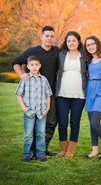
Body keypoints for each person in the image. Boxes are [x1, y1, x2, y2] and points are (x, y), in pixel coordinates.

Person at [12, 26, 59, 156]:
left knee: (51, 121)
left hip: (50, 93)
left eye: (51, 36)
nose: (49, 38)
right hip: (33, 95)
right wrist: (21, 75)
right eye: (47, 36)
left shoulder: (56, 51)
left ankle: (42, 148)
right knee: (33, 122)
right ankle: (32, 151)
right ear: (42, 37)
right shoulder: (32, 51)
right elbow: (16, 62)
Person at [56, 31, 86, 159]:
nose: (71, 43)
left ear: (79, 41)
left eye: (74, 40)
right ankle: (63, 148)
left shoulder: (84, 55)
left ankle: (71, 149)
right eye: (69, 41)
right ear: (66, 42)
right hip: (62, 94)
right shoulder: (61, 54)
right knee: (62, 122)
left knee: (75, 122)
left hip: (79, 95)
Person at [16, 55, 52, 162]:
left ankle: (40, 153)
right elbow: (19, 94)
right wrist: (23, 107)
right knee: (28, 134)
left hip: (42, 112)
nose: (34, 67)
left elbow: (48, 95)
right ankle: (27, 153)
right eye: (32, 65)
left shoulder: (44, 79)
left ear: (40, 66)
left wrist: (48, 107)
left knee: (41, 133)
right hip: (29, 112)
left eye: (36, 65)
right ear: (28, 66)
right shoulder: (25, 78)